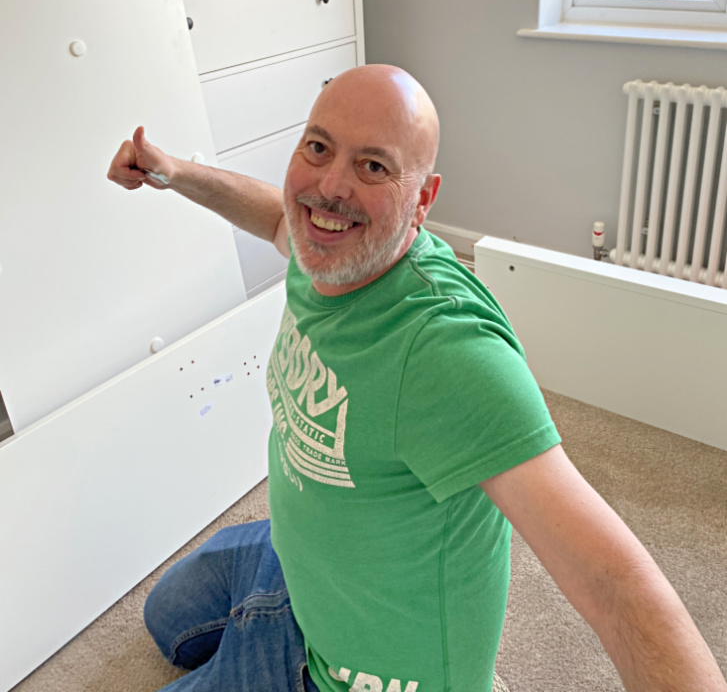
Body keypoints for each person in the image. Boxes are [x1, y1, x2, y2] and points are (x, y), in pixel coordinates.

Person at [108, 64, 726, 692]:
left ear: (422, 202)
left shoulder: (447, 353)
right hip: (301, 566)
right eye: (318, 148)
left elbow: (618, 589)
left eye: (374, 167)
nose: (328, 189)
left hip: (346, 670)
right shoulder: (322, 243)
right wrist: (177, 174)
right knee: (166, 617)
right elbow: (276, 217)